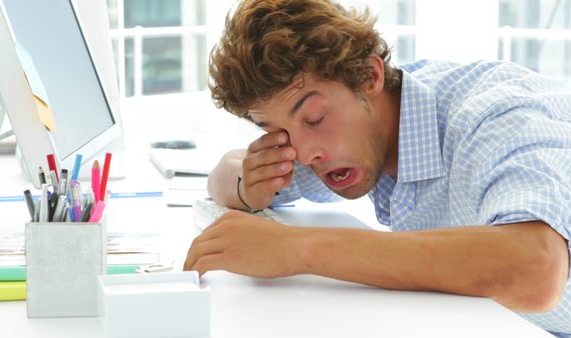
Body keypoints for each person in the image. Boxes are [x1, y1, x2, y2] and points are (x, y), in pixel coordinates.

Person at [182, 0, 571, 335]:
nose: (302, 153)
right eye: (276, 131)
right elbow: (226, 169)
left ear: (370, 76)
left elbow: (536, 269)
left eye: (314, 118)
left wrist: (298, 249)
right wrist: (247, 183)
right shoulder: (349, 137)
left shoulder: (494, 117)